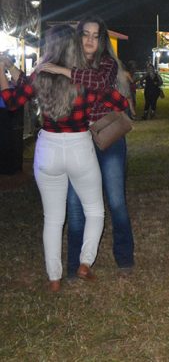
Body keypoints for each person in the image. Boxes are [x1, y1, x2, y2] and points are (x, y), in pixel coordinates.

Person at [0, 25, 129, 291]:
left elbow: (12, 101)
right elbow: (121, 104)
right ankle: (85, 262)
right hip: (79, 146)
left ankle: (54, 278)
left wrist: (3, 71)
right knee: (95, 211)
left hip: (47, 147)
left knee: (53, 218)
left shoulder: (40, 74)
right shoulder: (85, 77)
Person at [37, 17, 137, 279]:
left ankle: (124, 257)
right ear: (77, 36)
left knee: (115, 200)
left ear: (102, 40)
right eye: (85, 34)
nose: (91, 40)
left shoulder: (106, 63)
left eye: (96, 35)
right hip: (77, 141)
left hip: (107, 136)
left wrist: (62, 71)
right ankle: (74, 265)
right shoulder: (68, 60)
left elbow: (100, 84)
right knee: (74, 205)